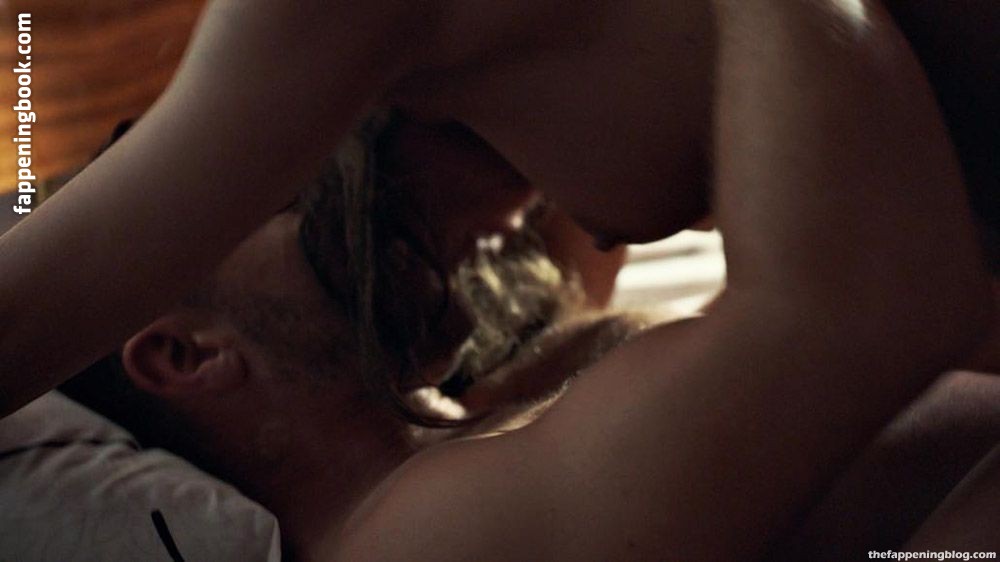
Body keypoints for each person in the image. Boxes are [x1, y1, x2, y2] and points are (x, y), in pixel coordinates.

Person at [0, 1, 993, 560]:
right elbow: (864, 308)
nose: (333, 196)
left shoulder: (506, 402)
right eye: (276, 200)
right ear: (185, 354)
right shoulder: (404, 541)